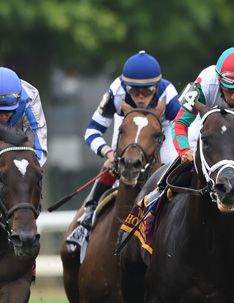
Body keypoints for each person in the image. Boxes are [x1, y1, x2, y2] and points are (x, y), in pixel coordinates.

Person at [64, 51, 182, 253]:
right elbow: (92, 132)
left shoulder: (168, 94)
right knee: (116, 164)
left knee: (170, 164)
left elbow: (181, 129)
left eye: (147, 91)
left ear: (157, 87)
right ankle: (87, 219)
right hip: (128, 122)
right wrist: (109, 154)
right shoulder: (116, 92)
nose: (141, 97)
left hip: (161, 128)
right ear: (126, 87)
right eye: (134, 91)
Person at [168, 46, 234, 212]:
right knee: (179, 174)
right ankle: (156, 203)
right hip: (205, 120)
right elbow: (180, 123)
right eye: (229, 90)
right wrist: (184, 151)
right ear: (219, 80)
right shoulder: (204, 83)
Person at [0, 67, 47, 164]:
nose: (2, 117)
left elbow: (39, 140)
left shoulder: (29, 97)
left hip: (16, 127)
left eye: (8, 111)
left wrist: (29, 166)